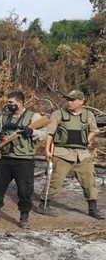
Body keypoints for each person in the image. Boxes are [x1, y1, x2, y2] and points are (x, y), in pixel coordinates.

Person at [35, 90, 104, 219]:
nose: (69, 102)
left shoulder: (88, 115)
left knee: (90, 182)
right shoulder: (58, 114)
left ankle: (93, 208)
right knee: (55, 180)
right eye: (68, 100)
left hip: (82, 155)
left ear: (82, 101)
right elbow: (50, 133)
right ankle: (44, 205)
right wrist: (47, 150)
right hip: (62, 154)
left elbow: (94, 130)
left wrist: (88, 139)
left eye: (72, 100)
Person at [0, 91, 47, 229]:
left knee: (25, 190)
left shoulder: (33, 117)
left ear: (20, 102)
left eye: (11, 102)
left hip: (24, 160)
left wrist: (32, 132)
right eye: (8, 102)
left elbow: (45, 133)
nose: (8, 105)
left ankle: (24, 216)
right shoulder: (4, 118)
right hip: (6, 158)